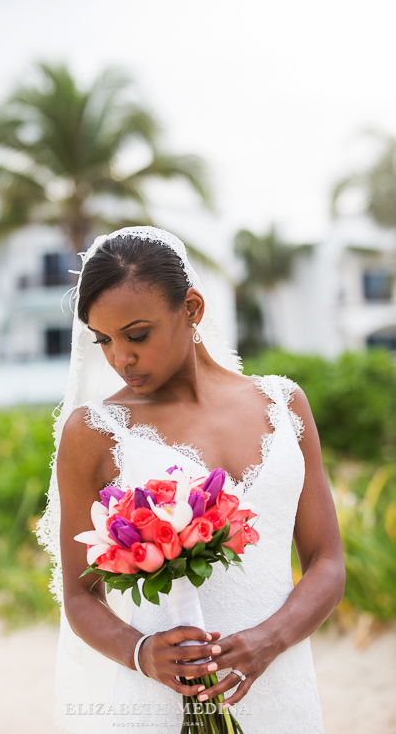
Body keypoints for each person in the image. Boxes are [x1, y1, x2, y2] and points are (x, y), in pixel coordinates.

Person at [36, 226, 345, 734]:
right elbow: (80, 596)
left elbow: (327, 562)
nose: (120, 358)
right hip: (159, 700)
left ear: (193, 309)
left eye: (137, 335)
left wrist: (271, 638)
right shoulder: (93, 432)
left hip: (282, 685)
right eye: (104, 340)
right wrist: (141, 655)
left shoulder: (283, 405)